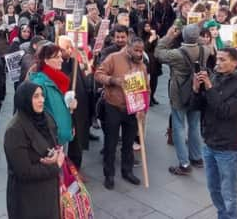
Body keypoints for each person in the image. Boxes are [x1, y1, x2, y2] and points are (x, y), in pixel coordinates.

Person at [190, 48, 237, 219]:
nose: (218, 63)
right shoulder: (215, 77)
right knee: (213, 188)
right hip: (209, 142)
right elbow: (196, 107)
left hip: (228, 147)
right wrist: (196, 89)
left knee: (229, 193)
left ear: (235, 62)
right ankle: (222, 215)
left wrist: (209, 88)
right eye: (217, 59)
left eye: (223, 60)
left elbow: (224, 111)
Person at [95, 38, 148, 190]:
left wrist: (142, 109)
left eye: (141, 51)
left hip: (132, 109)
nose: (139, 54)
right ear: (129, 48)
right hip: (113, 106)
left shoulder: (142, 66)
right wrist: (113, 80)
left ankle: (127, 171)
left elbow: (146, 89)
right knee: (110, 143)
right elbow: (98, 74)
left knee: (128, 142)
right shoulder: (113, 58)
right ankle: (109, 175)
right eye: (136, 50)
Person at [155, 24, 208, 175]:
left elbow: (158, 53)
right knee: (195, 124)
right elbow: (204, 42)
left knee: (178, 126)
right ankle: (196, 158)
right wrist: (195, 35)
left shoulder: (176, 54)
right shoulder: (206, 49)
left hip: (179, 92)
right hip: (197, 90)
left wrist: (169, 36)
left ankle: (184, 164)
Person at [4, 81, 62, 219]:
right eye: (36, 96)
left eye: (42, 95)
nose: (41, 100)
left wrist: (57, 154)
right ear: (25, 99)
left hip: (48, 192)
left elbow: (55, 143)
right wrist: (55, 165)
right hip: (28, 199)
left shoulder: (46, 117)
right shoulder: (15, 130)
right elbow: (23, 172)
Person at [29, 44, 76, 146]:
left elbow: (58, 107)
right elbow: (36, 113)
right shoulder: (40, 83)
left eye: (61, 56)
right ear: (46, 60)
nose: (62, 60)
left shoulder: (59, 79)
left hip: (62, 135)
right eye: (57, 57)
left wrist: (70, 105)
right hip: (51, 139)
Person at [58, 36, 90, 169]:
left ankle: (77, 169)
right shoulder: (57, 66)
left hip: (79, 110)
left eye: (71, 47)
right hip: (65, 111)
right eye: (67, 48)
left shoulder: (75, 62)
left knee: (78, 143)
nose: (70, 50)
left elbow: (83, 82)